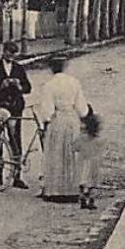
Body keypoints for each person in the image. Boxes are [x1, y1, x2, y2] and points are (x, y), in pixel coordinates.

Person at [36, 56, 97, 207]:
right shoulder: (74, 83)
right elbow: (82, 109)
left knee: (56, 153)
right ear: (64, 67)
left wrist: (46, 120)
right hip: (72, 119)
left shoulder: (49, 85)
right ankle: (73, 189)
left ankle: (56, 190)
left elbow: (47, 111)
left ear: (51, 68)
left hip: (58, 120)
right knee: (72, 154)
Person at [0, 42, 32, 189]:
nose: (11, 55)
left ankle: (17, 176)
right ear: (3, 52)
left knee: (15, 141)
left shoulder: (18, 69)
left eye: (14, 53)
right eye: (9, 52)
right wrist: (0, 86)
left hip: (15, 108)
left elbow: (28, 87)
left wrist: (19, 86)